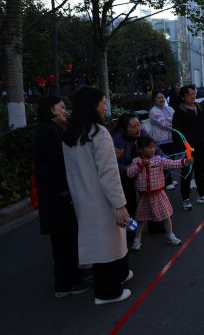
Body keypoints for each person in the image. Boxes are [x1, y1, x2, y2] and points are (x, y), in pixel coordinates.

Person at [62, 87, 133, 305]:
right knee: (107, 244)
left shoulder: (71, 134)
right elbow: (109, 173)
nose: (105, 106)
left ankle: (116, 279)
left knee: (99, 243)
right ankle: (107, 292)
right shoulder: (98, 133)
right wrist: (119, 204)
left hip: (83, 198)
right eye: (103, 102)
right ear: (93, 105)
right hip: (103, 199)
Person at [33, 96, 91, 298]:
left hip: (58, 197)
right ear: (51, 109)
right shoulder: (48, 132)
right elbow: (59, 165)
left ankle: (69, 279)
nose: (65, 111)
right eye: (62, 107)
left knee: (65, 241)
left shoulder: (49, 130)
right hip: (59, 198)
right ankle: (66, 285)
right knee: (63, 243)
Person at [126, 137, 192, 251]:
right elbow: (129, 173)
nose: (152, 149)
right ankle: (137, 239)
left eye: (153, 147)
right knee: (141, 219)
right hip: (144, 196)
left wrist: (185, 161)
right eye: (148, 147)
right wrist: (140, 165)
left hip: (158, 194)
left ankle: (170, 235)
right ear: (139, 150)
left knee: (166, 215)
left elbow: (171, 164)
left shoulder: (158, 159)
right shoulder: (136, 161)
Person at [112, 113, 164, 219]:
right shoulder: (116, 140)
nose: (138, 128)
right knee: (130, 201)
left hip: (143, 169)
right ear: (123, 129)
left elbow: (154, 148)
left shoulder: (142, 132)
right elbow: (112, 163)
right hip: (125, 175)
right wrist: (126, 169)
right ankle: (132, 225)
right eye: (133, 127)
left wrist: (164, 158)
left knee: (152, 196)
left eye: (138, 124)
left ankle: (155, 222)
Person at [172, 85, 204, 210]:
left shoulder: (199, 107)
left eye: (194, 93)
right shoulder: (179, 112)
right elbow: (176, 132)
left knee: (200, 171)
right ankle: (186, 199)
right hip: (188, 148)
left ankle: (202, 194)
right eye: (190, 94)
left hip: (201, 145)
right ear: (183, 97)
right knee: (186, 173)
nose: (193, 96)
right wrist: (181, 148)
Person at [149, 91, 177, 191]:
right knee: (164, 160)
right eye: (158, 98)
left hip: (171, 138)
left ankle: (169, 179)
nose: (161, 99)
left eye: (162, 97)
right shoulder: (153, 111)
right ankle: (167, 181)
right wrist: (173, 122)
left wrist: (173, 122)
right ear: (154, 100)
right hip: (161, 140)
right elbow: (164, 124)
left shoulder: (169, 108)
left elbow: (176, 118)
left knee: (171, 159)